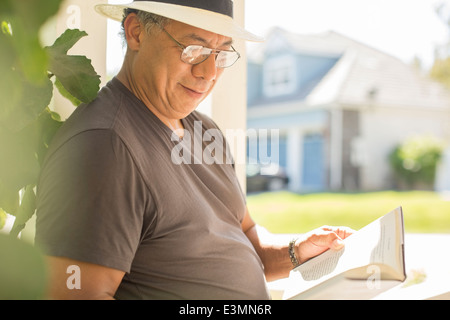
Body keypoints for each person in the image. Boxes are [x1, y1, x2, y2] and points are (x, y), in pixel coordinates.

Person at [35, 0, 353, 300]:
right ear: (136, 32)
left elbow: (244, 235)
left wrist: (297, 251)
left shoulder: (204, 130)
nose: (209, 72)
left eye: (222, 53)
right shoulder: (103, 146)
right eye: (194, 49)